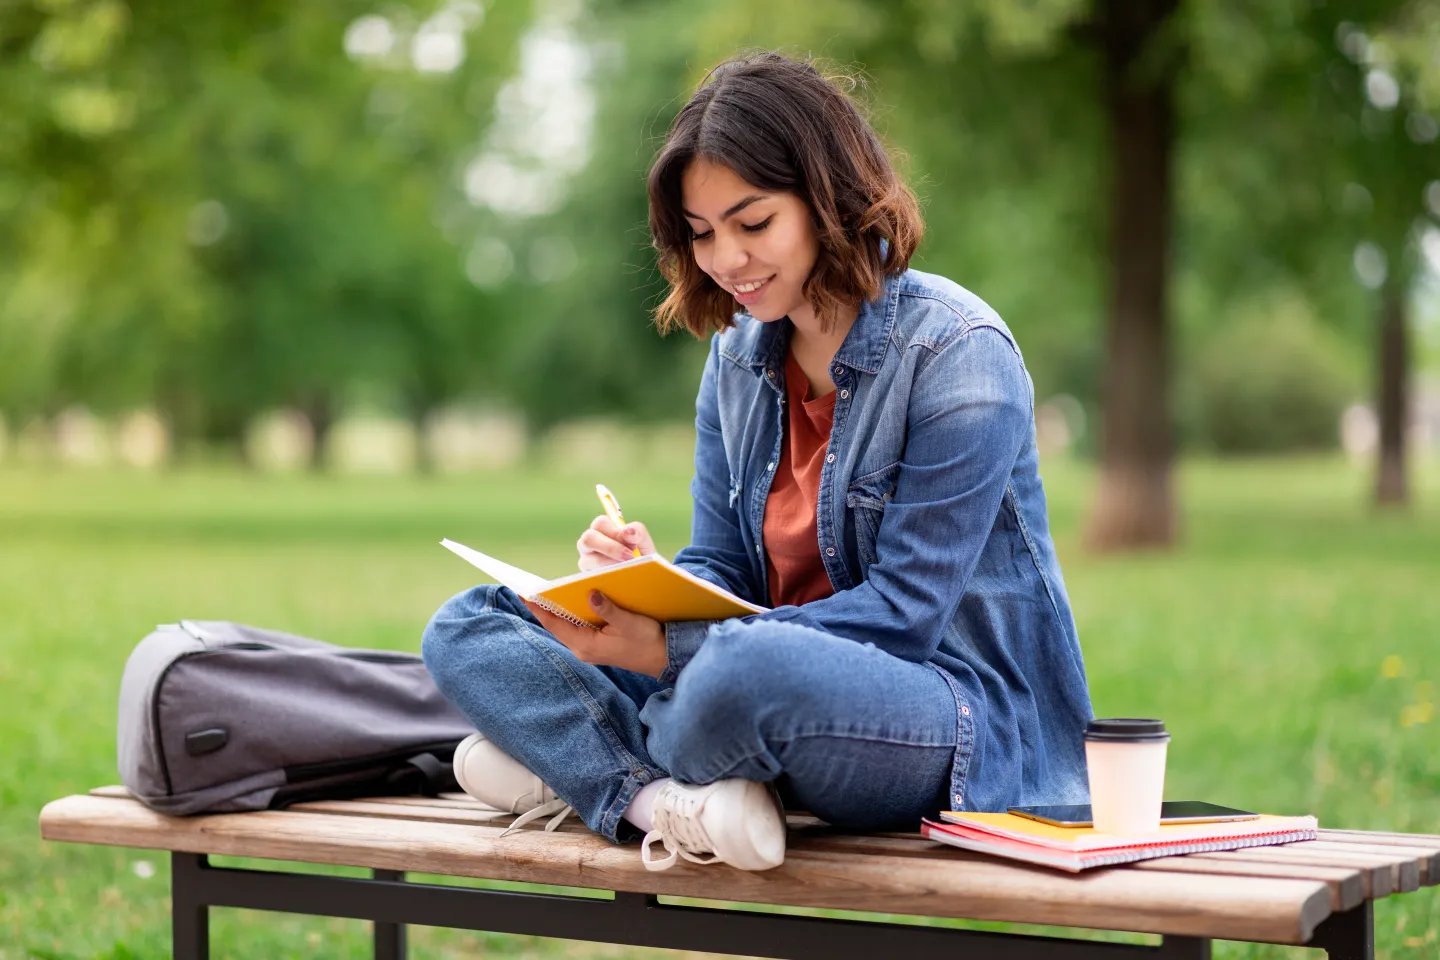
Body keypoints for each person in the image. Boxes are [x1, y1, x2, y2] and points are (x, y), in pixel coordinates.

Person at [422, 51, 1093, 873]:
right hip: (746, 676)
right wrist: (643, 583)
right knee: (470, 623)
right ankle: (653, 800)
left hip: (942, 716)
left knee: (739, 672)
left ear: (826, 197)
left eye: (753, 222)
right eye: (701, 234)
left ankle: (574, 760)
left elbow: (903, 617)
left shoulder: (959, 355)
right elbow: (726, 565)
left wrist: (662, 650)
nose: (726, 260)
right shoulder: (738, 357)